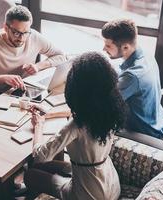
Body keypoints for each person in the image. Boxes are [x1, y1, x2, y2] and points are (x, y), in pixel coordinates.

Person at [24, 52, 126, 200]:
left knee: (31, 173)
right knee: (50, 166)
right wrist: (48, 114)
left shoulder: (76, 126)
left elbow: (40, 156)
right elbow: (82, 114)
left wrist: (38, 126)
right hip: (110, 184)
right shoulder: (109, 111)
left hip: (88, 194)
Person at [101, 19, 163, 140]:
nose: (104, 49)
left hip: (145, 132)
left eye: (108, 46)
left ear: (126, 47)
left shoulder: (132, 76)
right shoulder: (146, 56)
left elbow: (105, 104)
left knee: (93, 124)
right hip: (159, 123)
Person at [0, 5, 66, 93]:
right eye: (16, 33)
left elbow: (61, 56)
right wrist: (2, 79)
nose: (22, 38)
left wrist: (38, 66)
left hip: (26, 90)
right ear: (6, 28)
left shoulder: (33, 36)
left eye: (25, 32)